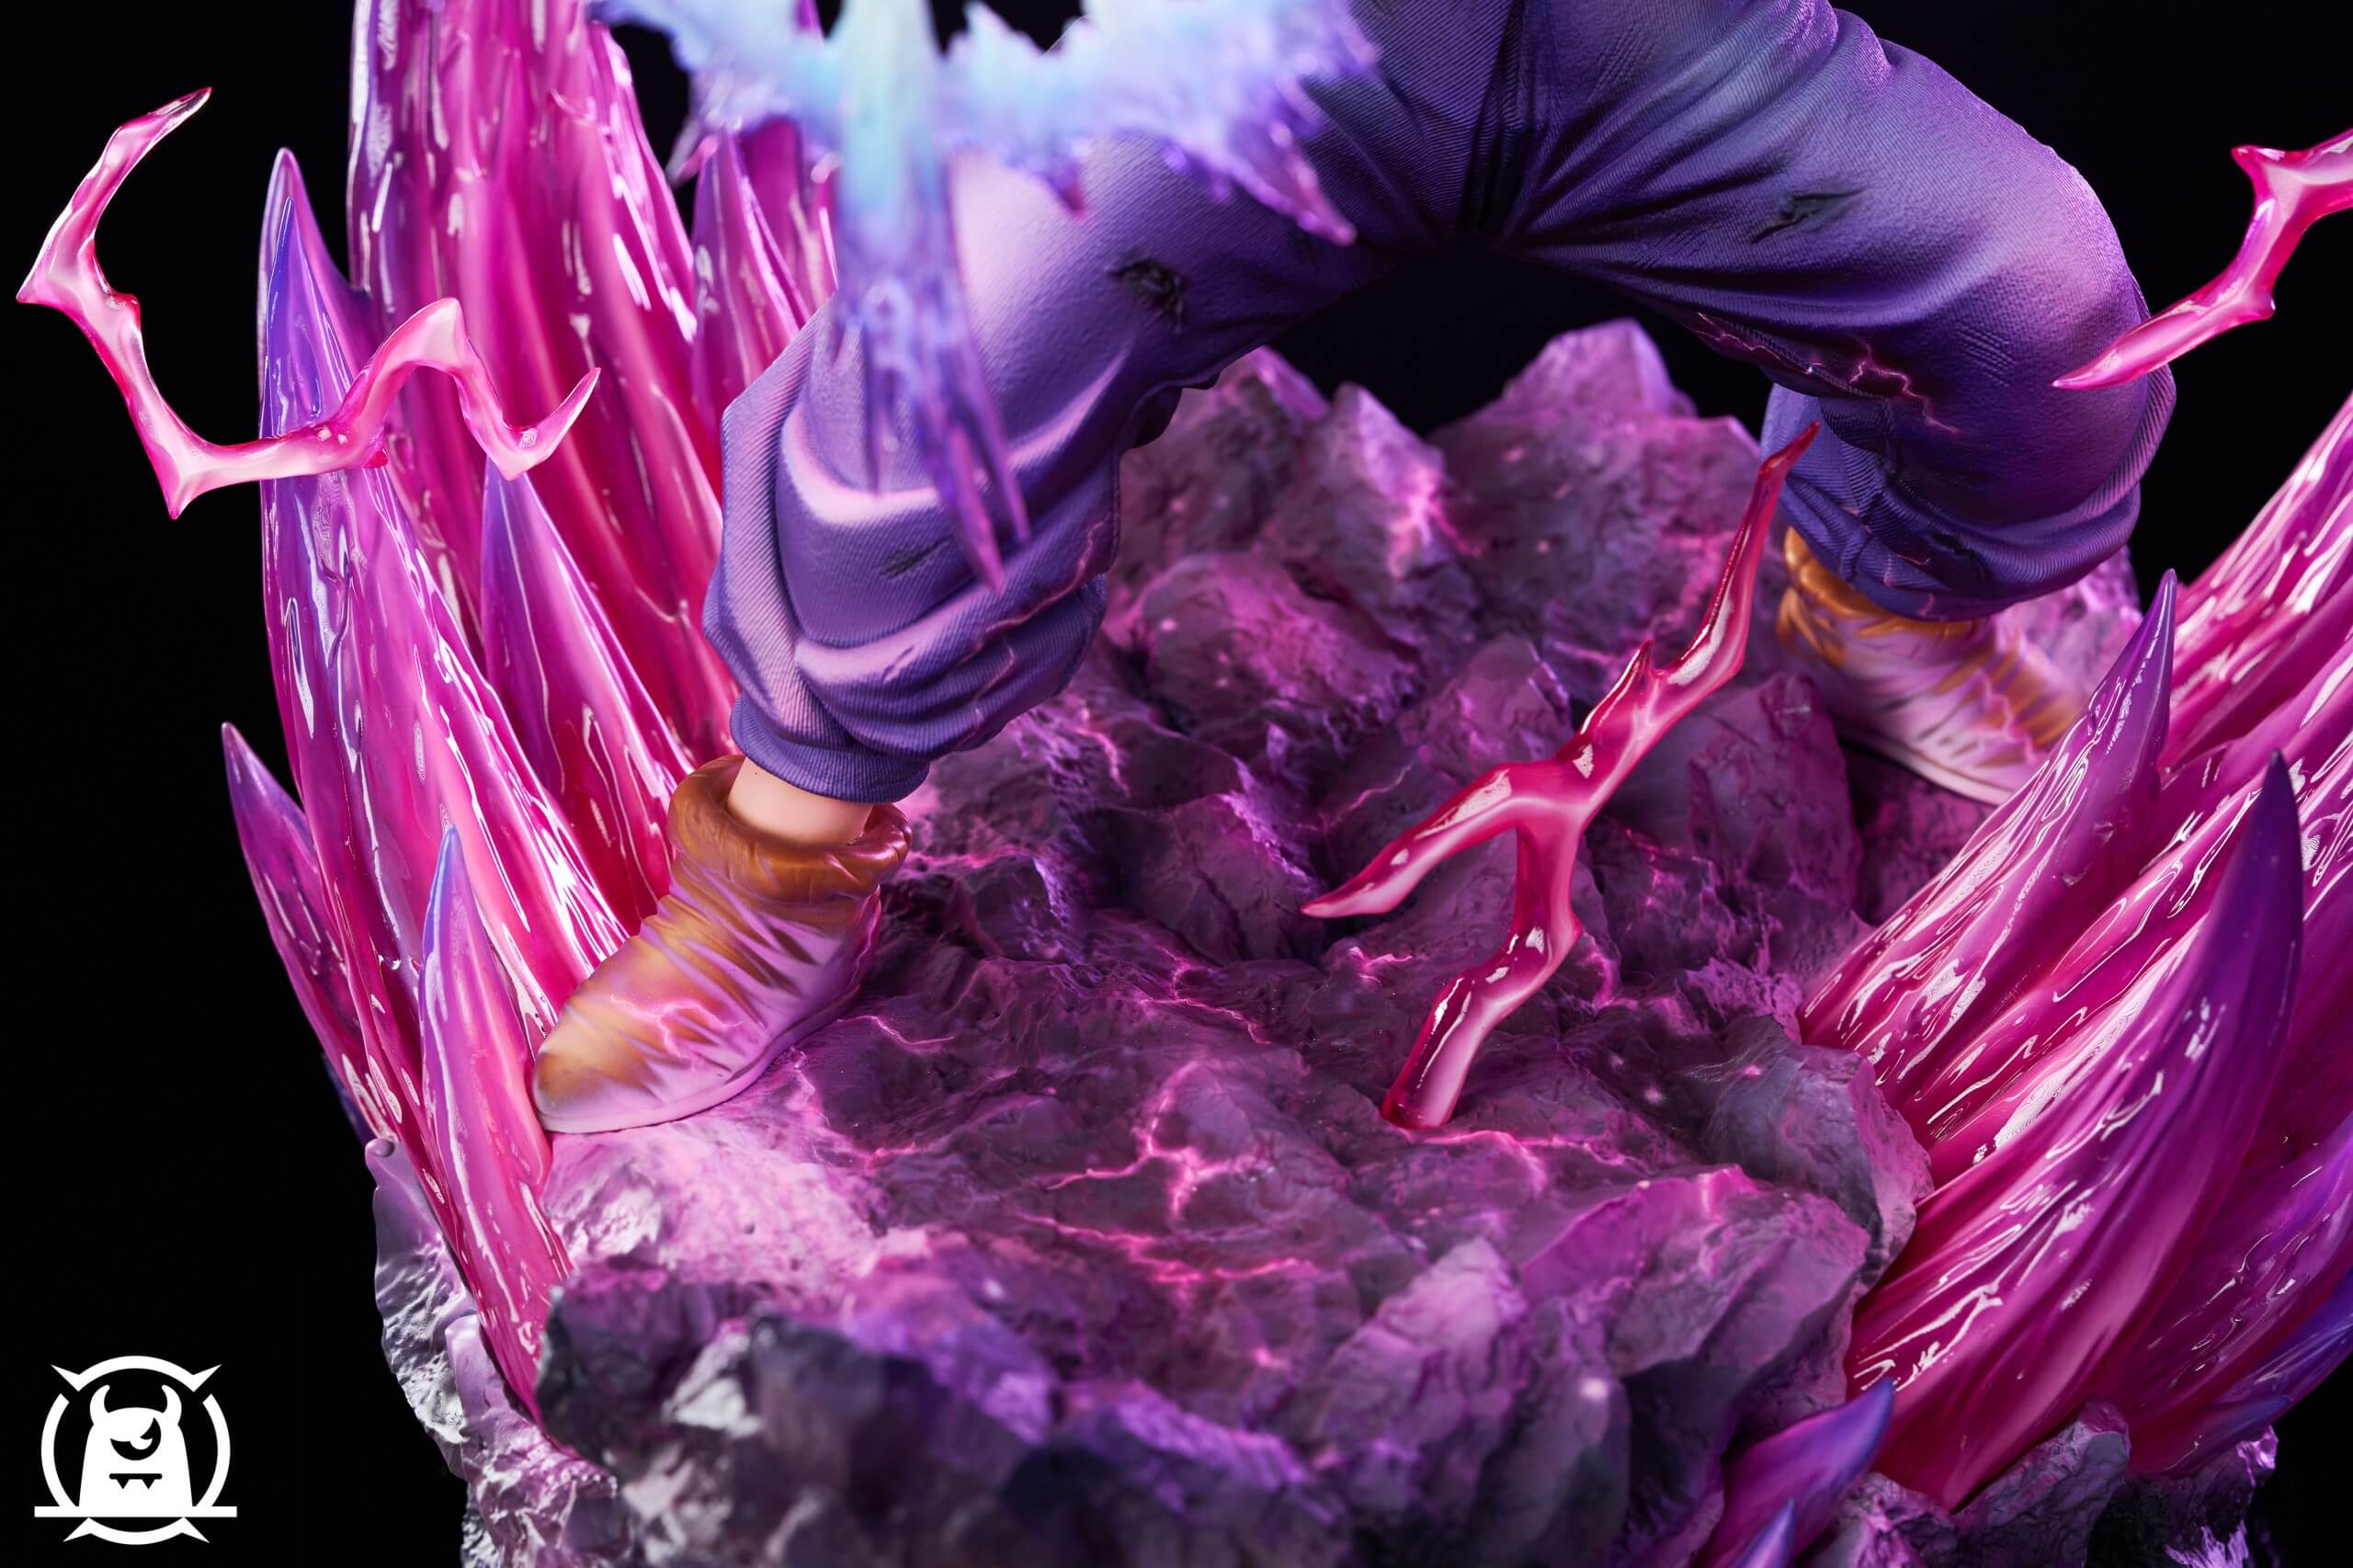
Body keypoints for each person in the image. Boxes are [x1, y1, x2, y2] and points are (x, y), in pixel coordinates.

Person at [529, 0, 2174, 1132]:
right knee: (926, 395)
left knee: (2044, 313)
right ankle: (779, 866)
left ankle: (1880, 602)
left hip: (1655, 48)